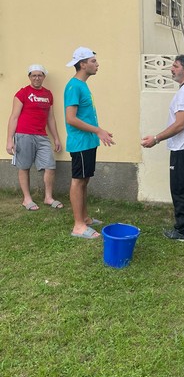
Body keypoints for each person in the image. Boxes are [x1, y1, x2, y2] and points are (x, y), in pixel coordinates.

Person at [141, 54, 184, 241]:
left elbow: (180, 124)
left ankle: (182, 231)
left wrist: (156, 138)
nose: (171, 69)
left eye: (175, 66)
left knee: (181, 187)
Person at [64, 47, 115, 239]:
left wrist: (98, 131)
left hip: (88, 141)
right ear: (82, 64)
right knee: (78, 181)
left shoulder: (82, 85)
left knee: (84, 180)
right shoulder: (74, 86)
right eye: (93, 61)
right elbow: (71, 118)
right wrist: (98, 130)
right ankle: (78, 226)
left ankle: (84, 218)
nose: (97, 64)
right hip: (80, 143)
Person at [6, 64, 63, 211]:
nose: (37, 78)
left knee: (50, 166)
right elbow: (14, 117)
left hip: (42, 136)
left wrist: (56, 138)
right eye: (34, 75)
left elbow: (51, 118)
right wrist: (9, 140)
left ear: (44, 77)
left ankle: (48, 197)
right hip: (23, 134)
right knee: (24, 166)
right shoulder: (22, 93)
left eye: (40, 75)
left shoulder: (48, 94)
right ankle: (27, 199)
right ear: (29, 77)